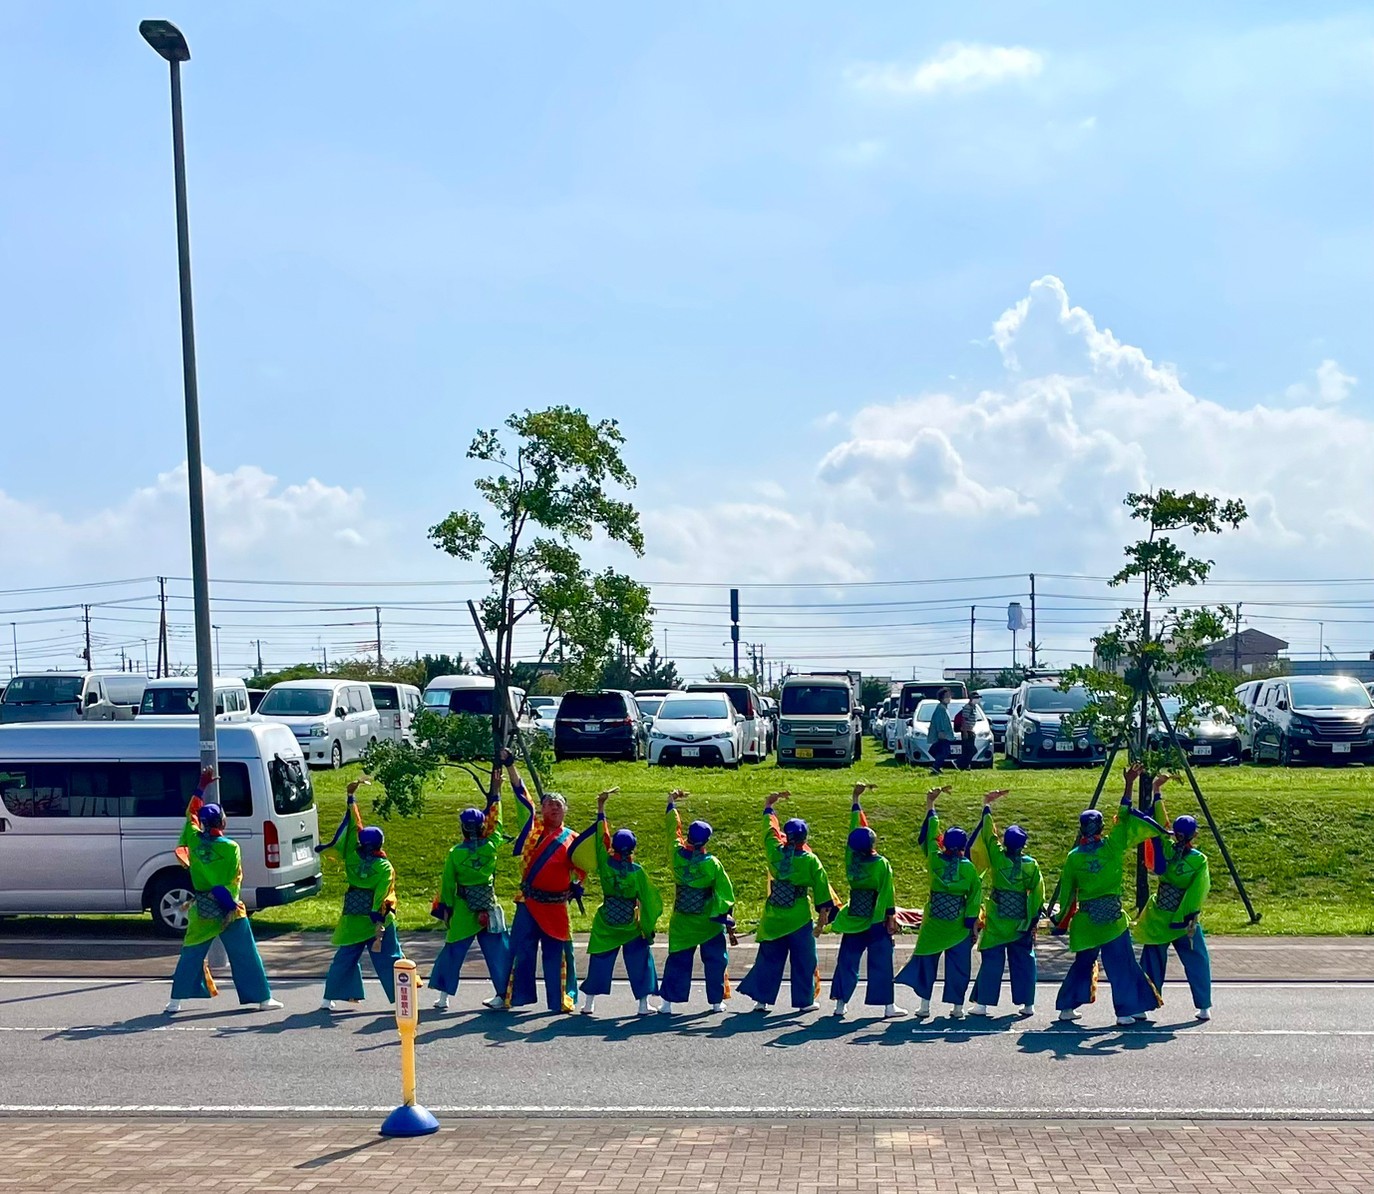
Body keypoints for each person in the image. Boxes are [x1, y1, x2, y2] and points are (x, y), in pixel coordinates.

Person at [1052, 763, 1163, 1027]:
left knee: (1083, 963)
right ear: (1102, 827)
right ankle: (1126, 1010)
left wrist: (1059, 919)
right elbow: (1124, 817)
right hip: (1112, 920)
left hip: (1087, 921)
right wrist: (1129, 783)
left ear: (1081, 829)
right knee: (1122, 964)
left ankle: (1066, 1007)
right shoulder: (1113, 847)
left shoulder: (1074, 858)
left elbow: (1067, 894)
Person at [164, 768, 281, 1015]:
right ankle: (263, 998)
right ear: (222, 822)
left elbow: (191, 814)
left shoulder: (193, 839)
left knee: (191, 952)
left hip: (202, 908)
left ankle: (175, 1001)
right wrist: (230, 904)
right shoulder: (231, 848)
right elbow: (233, 880)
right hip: (229, 909)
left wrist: (201, 786)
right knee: (246, 953)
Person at [497, 760, 589, 1013]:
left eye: (558, 804)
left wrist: (577, 884)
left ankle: (562, 999)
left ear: (566, 810)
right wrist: (510, 766)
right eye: (549, 804)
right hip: (528, 901)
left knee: (558, 952)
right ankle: (508, 996)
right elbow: (522, 796)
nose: (554, 808)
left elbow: (584, 867)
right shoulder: (532, 830)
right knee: (520, 950)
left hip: (556, 905)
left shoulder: (573, 839)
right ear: (542, 808)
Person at [737, 792, 837, 1014]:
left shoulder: (774, 850)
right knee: (804, 960)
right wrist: (823, 918)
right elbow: (822, 889)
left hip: (773, 916)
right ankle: (804, 1001)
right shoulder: (810, 860)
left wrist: (768, 806)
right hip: (799, 917)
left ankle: (761, 1000)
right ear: (805, 838)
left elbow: (769, 830)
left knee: (768, 958)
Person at [429, 753, 512, 1013]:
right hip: (488, 904)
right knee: (498, 952)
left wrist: (446, 909)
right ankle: (503, 995)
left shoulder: (456, 854)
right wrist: (496, 794)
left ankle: (443, 996)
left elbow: (447, 885)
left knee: (453, 951)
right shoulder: (491, 845)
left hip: (464, 908)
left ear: (463, 828)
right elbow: (498, 823)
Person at [317, 778, 405, 1011]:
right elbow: (383, 893)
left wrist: (350, 798)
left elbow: (353, 826)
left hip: (353, 916)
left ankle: (328, 998)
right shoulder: (384, 867)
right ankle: (402, 999)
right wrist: (378, 917)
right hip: (376, 919)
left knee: (345, 957)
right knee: (390, 959)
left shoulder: (351, 856)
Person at [895, 787, 982, 1018]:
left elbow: (931, 834)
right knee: (959, 966)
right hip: (958, 924)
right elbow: (974, 898)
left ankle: (924, 1006)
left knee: (926, 962)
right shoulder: (969, 869)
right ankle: (957, 1008)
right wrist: (972, 925)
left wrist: (930, 804)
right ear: (963, 846)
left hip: (934, 921)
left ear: (944, 843)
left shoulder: (934, 859)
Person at [1132, 775, 1213, 1021]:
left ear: (1174, 833)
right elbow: (1198, 891)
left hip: (1160, 915)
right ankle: (1203, 1006)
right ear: (1194, 835)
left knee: (1152, 959)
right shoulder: (1198, 860)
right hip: (1183, 919)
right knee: (1197, 959)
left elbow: (1158, 824)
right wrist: (1187, 915)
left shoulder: (1165, 849)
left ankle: (1143, 1006)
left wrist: (1156, 790)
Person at [580, 787, 663, 1018]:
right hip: (630, 925)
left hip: (606, 921)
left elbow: (600, 836)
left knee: (599, 960)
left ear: (613, 846)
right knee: (640, 961)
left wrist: (601, 807)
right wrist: (647, 929)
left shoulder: (605, 862)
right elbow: (649, 902)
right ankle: (643, 1005)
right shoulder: (637, 872)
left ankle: (588, 1004)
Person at [829, 783, 906, 1019]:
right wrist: (890, 918)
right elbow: (887, 893)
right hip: (876, 919)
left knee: (847, 960)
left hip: (854, 916)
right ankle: (888, 1007)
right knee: (881, 962)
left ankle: (840, 1004)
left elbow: (854, 829)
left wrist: (855, 800)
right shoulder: (881, 864)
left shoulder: (851, 860)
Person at [658, 790, 737, 1015]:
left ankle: (668, 1003)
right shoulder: (712, 864)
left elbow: (672, 831)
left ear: (689, 837)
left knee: (678, 961)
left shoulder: (676, 854)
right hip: (708, 923)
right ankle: (716, 1002)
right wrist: (724, 915)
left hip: (682, 921)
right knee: (715, 961)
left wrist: (671, 804)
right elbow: (725, 893)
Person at [968, 789, 1044, 1017]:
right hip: (1020, 921)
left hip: (997, 919)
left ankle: (982, 1004)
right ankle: (1028, 1004)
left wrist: (987, 805)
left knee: (992, 959)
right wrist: (1032, 920)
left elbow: (988, 834)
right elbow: (1038, 894)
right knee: (1024, 961)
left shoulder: (997, 856)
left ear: (1005, 842)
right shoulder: (1031, 865)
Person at [927, 689, 956, 776]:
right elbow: (940, 721)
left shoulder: (943, 708)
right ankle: (936, 766)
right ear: (941, 698)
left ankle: (937, 766)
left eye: (949, 696)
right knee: (945, 751)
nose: (949, 698)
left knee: (940, 750)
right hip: (943, 734)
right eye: (946, 696)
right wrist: (941, 731)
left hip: (946, 734)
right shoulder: (940, 709)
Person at [955, 693, 980, 771]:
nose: (977, 699)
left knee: (969, 750)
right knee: (971, 750)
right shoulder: (967, 707)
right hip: (966, 731)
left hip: (971, 730)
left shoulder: (974, 707)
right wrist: (965, 732)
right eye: (975, 697)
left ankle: (965, 765)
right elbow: (964, 720)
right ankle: (958, 762)